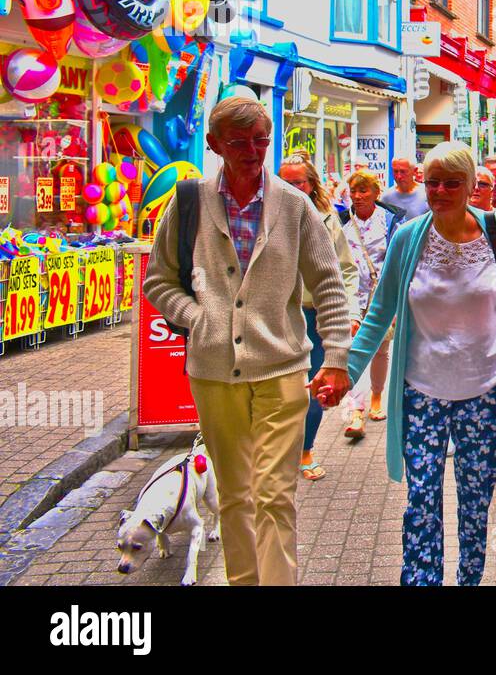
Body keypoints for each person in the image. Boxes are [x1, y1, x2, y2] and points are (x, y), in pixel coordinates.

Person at [143, 97, 352, 586]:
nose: (252, 151)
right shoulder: (189, 201)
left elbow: (329, 286)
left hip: (281, 370)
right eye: (238, 142)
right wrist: (196, 317)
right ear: (215, 145)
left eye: (260, 139)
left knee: (274, 495)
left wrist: (337, 357)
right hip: (214, 376)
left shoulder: (295, 205)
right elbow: (158, 281)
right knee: (235, 495)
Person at [311, 142, 496, 586]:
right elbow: (379, 312)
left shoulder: (495, 233)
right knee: (421, 503)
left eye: (452, 182)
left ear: (472, 187)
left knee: (475, 506)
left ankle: (470, 579)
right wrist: (344, 371)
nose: (440, 191)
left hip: (485, 394)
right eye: (433, 182)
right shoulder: (409, 238)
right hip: (422, 393)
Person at [279, 154, 361, 480]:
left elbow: (346, 270)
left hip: (314, 317)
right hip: (279, 317)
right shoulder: (267, 218)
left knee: (313, 386)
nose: (293, 188)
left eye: (299, 181)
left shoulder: (327, 220)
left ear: (311, 184)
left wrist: (351, 311)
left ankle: (305, 449)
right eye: (286, 182)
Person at [338, 168, 402, 439]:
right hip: (351, 296)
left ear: (376, 193)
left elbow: (397, 262)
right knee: (350, 349)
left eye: (364, 191)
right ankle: (356, 409)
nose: (358, 196)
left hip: (381, 297)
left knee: (380, 350)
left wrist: (398, 303)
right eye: (354, 191)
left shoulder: (390, 221)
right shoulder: (341, 221)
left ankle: (377, 396)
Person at [382, 158, 428, 222]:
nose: (399, 176)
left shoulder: (427, 193)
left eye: (403, 172)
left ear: (414, 171)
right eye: (395, 171)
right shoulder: (386, 197)